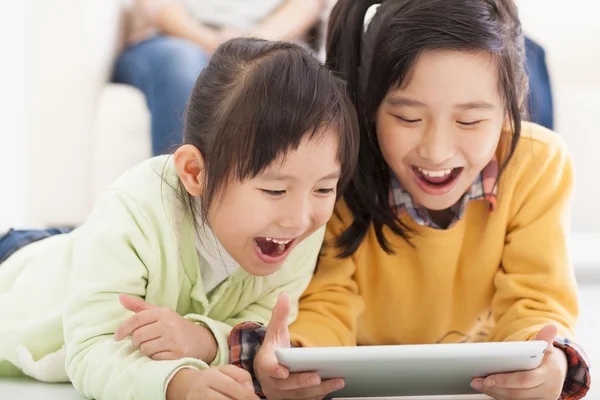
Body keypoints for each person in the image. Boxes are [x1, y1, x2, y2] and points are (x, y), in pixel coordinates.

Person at [232, 1, 592, 399]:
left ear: (512, 102)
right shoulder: (337, 168)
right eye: (408, 118)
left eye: (469, 121)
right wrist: (299, 358)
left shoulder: (538, 163)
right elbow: (327, 299)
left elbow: (536, 299)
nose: (436, 152)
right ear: (368, 103)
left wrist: (546, 359)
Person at [0, 37, 359, 400]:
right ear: (195, 172)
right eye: (275, 191)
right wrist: (180, 384)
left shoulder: (299, 230)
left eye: (323, 189)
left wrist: (201, 341)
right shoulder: (134, 210)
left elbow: (260, 324)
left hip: (84, 245)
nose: (299, 219)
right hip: (21, 275)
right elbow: (92, 348)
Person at [114, 0, 328, 155]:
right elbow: (157, 6)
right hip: (175, 39)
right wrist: (213, 42)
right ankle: (179, 201)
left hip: (268, 40)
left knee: (287, 72)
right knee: (182, 65)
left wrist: (252, 43)